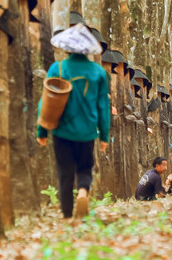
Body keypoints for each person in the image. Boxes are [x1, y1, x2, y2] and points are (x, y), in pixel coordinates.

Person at [36, 49, 111, 220]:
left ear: (68, 49)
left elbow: (45, 101)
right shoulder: (98, 72)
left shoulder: (57, 68)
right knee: (85, 168)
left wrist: (42, 131)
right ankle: (83, 192)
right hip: (87, 131)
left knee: (65, 172)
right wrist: (104, 136)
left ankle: (68, 215)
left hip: (62, 130)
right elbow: (103, 105)